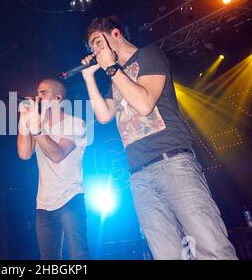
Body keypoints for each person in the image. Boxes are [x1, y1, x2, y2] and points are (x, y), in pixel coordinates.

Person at [80, 15, 237, 259]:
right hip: (139, 176)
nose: (96, 50)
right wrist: (89, 78)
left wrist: (112, 69)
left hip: (173, 164)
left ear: (116, 34)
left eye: (98, 42)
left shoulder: (148, 56)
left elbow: (144, 104)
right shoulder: (116, 79)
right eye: (92, 47)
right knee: (167, 254)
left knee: (210, 248)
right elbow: (104, 116)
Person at [17, 78, 90, 260]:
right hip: (43, 204)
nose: (37, 97)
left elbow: (57, 155)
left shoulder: (76, 123)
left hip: (70, 198)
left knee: (78, 256)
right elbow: (24, 154)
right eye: (37, 93)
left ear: (58, 98)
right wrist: (24, 119)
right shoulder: (39, 125)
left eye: (43, 93)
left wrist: (37, 131)